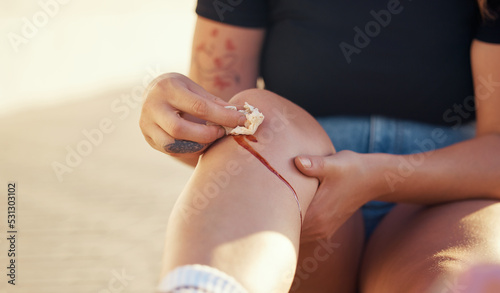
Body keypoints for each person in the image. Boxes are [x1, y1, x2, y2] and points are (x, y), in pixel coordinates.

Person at [139, 1, 500, 292]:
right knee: (261, 111)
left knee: (450, 280)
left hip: (442, 189)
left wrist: (381, 177)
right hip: (297, 178)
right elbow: (217, 133)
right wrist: (174, 119)